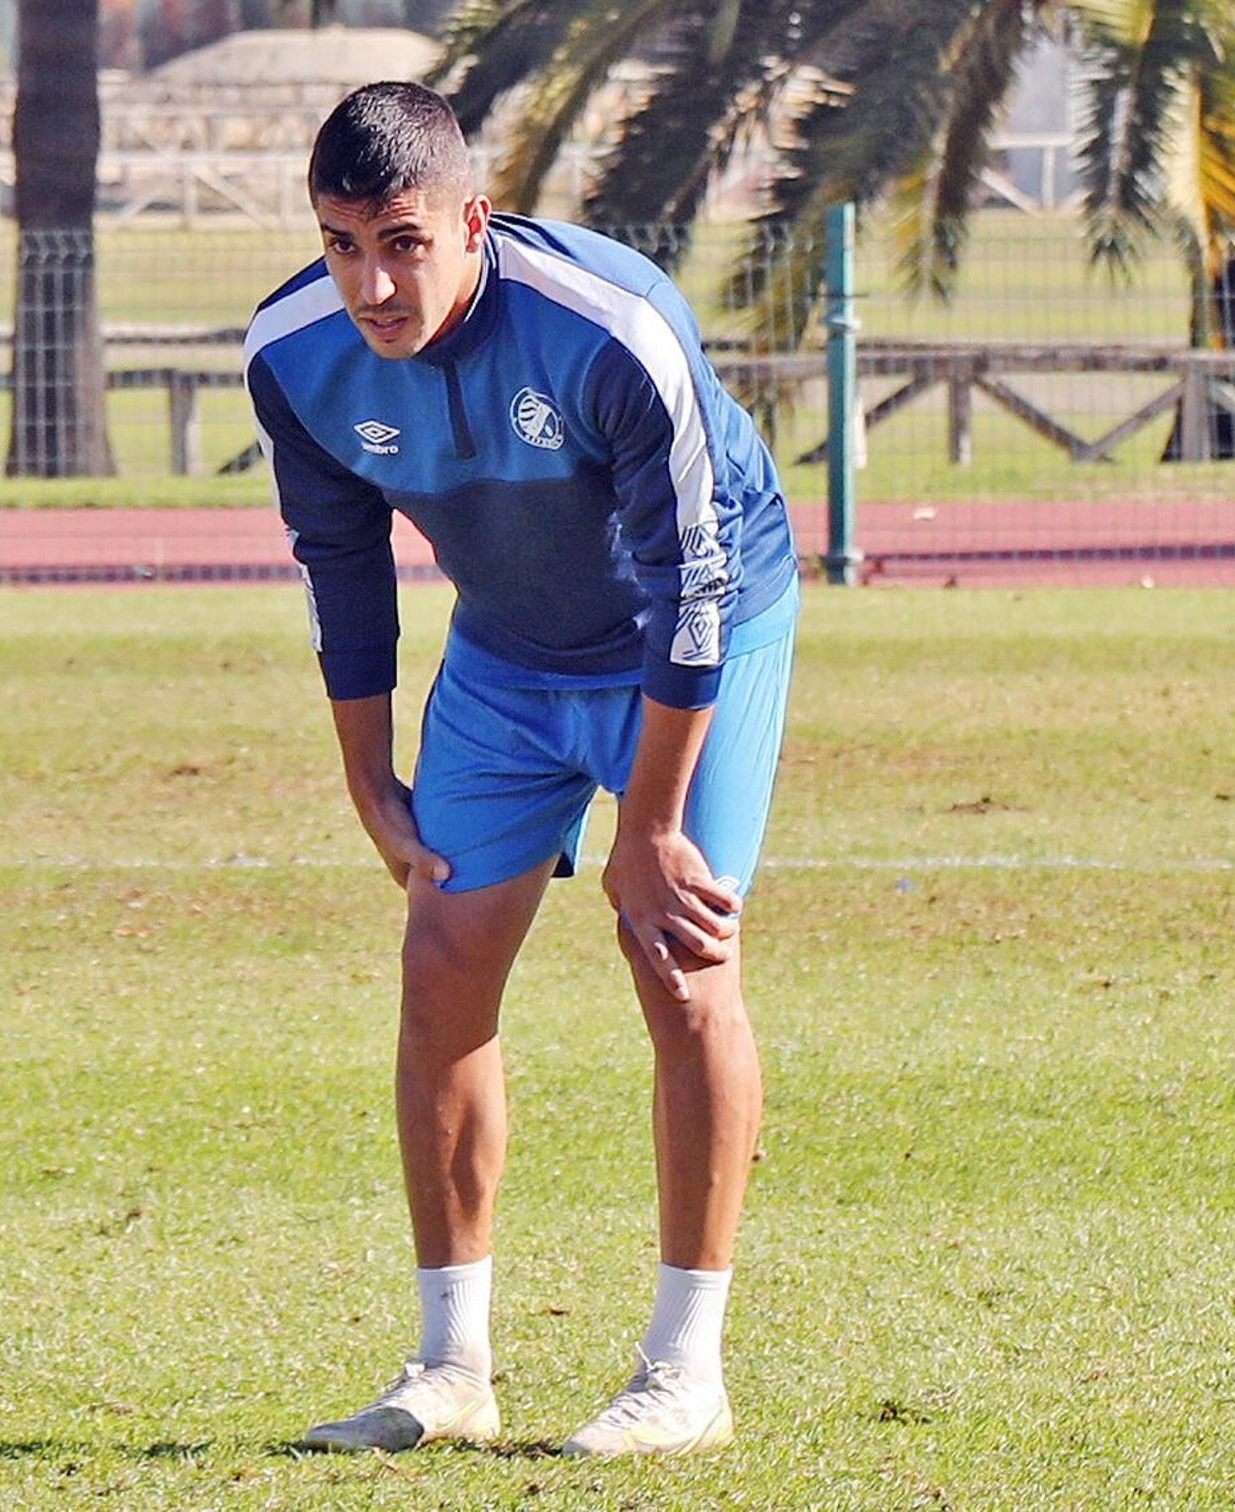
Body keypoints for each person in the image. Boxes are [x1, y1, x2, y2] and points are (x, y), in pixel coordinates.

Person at [243, 81, 800, 1459]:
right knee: (442, 960)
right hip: (504, 652)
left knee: (678, 958)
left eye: (403, 240)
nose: (372, 281)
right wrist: (369, 779)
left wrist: (652, 822)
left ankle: (685, 1374)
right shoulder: (293, 354)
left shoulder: (611, 331)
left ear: (472, 222)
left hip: (699, 633)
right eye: (340, 243)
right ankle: (450, 1366)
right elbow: (342, 564)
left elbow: (696, 583)